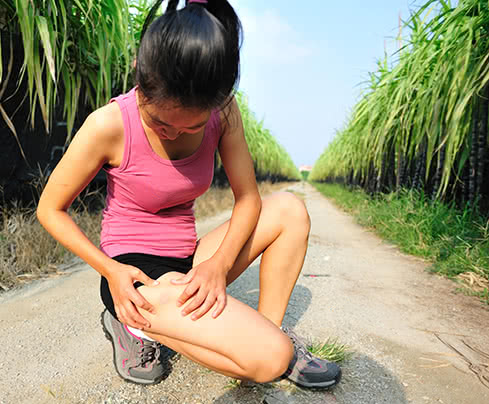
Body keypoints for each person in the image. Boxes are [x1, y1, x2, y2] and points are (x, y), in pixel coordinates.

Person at [37, 0, 341, 389]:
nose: (173, 134)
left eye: (191, 126)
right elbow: (50, 209)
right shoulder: (109, 125)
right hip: (136, 277)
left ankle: (270, 331)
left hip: (191, 260)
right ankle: (130, 325)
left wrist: (218, 266)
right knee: (271, 360)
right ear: (140, 77)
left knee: (289, 210)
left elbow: (249, 199)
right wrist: (110, 270)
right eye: (160, 122)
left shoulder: (225, 113)